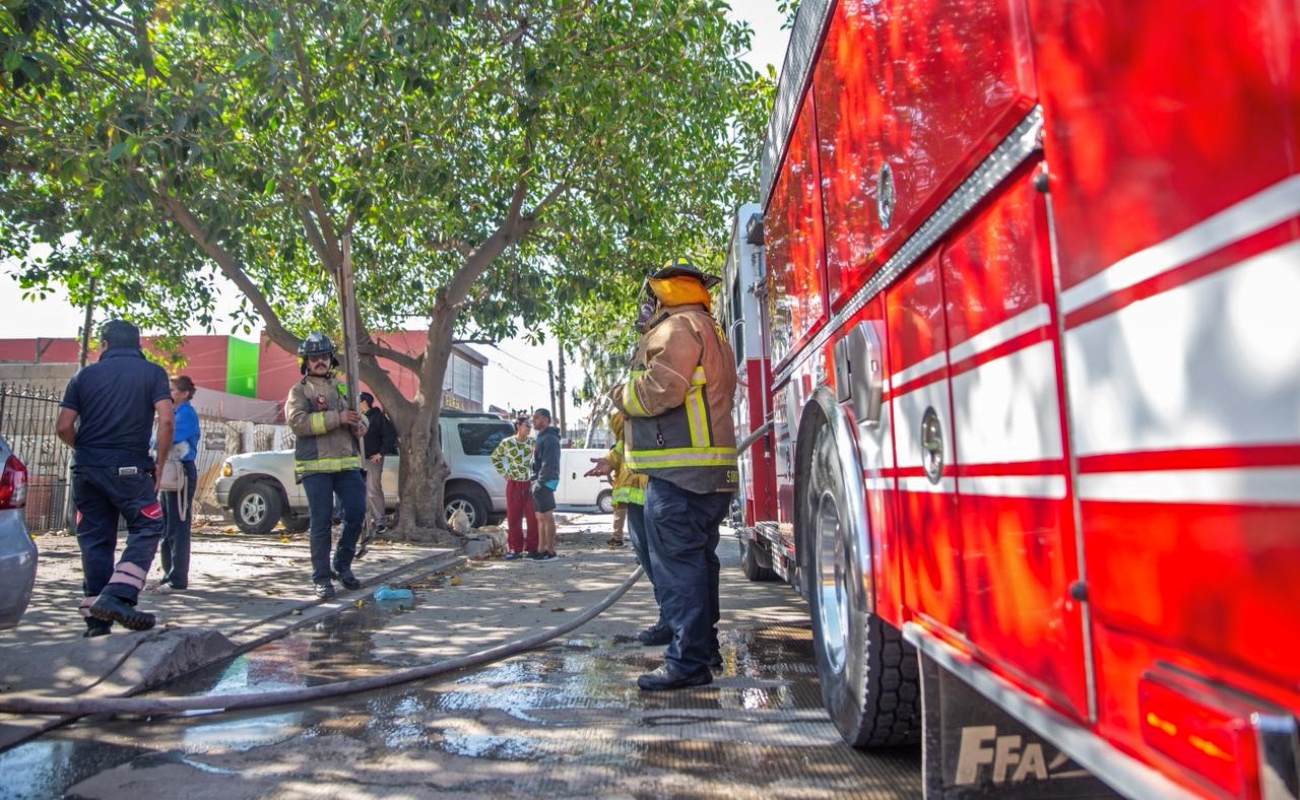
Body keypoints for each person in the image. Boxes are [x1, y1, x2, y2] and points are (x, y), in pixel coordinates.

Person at [610, 257, 738, 691]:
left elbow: (661, 388)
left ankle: (687, 663)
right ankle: (706, 649)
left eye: (650, 299)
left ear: (663, 291)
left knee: (680, 572)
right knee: (699, 566)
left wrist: (620, 393)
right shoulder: (709, 328)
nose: (646, 310)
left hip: (680, 474)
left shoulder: (676, 328)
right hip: (707, 474)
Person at [55, 319, 174, 636]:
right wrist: (160, 463)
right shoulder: (153, 374)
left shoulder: (83, 375)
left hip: (86, 469)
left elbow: (64, 426)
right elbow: (165, 421)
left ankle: (97, 619)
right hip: (129, 468)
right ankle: (119, 594)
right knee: (148, 525)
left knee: (95, 537)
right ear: (138, 345)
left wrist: (87, 452)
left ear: (103, 345)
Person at [285, 332, 368, 599]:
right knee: (321, 521)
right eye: (314, 357)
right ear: (306, 362)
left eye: (323, 356)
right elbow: (298, 423)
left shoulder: (342, 387)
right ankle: (321, 578)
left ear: (330, 359)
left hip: (347, 464)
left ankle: (342, 565)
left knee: (356, 512)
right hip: (315, 466)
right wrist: (338, 417)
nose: (319, 361)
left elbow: (359, 415)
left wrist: (361, 424)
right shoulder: (298, 391)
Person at [587, 409, 669, 645]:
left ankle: (674, 621)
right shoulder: (636, 395)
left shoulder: (663, 386)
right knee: (650, 559)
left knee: (665, 562)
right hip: (638, 494)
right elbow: (625, 437)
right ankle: (671, 618)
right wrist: (611, 459)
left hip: (659, 489)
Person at [154, 375, 200, 594]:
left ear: (183, 393)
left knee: (178, 525)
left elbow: (167, 436)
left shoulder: (186, 414)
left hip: (180, 472)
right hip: (169, 471)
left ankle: (178, 578)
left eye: (172, 390)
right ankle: (168, 573)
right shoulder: (171, 413)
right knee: (167, 525)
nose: (168, 394)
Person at [490, 415, 538, 559]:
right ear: (518, 426)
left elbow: (539, 459)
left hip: (529, 484)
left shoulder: (533, 442)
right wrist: (504, 474)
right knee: (513, 517)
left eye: (529, 425)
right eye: (526, 425)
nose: (529, 428)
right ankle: (515, 549)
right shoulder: (507, 443)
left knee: (532, 518)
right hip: (514, 485)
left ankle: (532, 549)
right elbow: (495, 458)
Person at [358, 391, 397, 536]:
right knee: (361, 491)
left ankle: (380, 521)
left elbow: (390, 435)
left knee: (373, 490)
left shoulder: (378, 417)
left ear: (364, 402)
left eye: (359, 401)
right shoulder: (359, 418)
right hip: (359, 460)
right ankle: (365, 522)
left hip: (372, 460)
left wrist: (381, 453)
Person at [528, 407, 561, 561]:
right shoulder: (541, 437)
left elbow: (549, 463)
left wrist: (540, 482)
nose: (533, 420)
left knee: (546, 516)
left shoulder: (550, 438)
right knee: (539, 517)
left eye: (537, 417)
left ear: (546, 420)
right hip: (537, 480)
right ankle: (540, 549)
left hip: (545, 481)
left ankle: (551, 551)